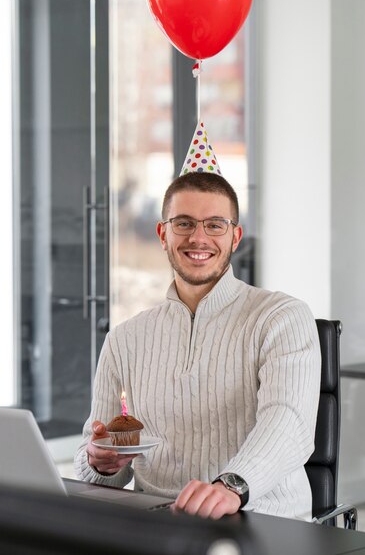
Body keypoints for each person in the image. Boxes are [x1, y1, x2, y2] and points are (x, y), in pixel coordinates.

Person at [74, 171, 321, 520]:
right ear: (163, 234)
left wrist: (231, 487)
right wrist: (100, 462)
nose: (199, 238)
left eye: (215, 225)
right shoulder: (123, 339)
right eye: (184, 223)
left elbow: (287, 422)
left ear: (235, 236)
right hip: (159, 522)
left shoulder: (282, 317)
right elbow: (102, 465)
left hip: (262, 519)